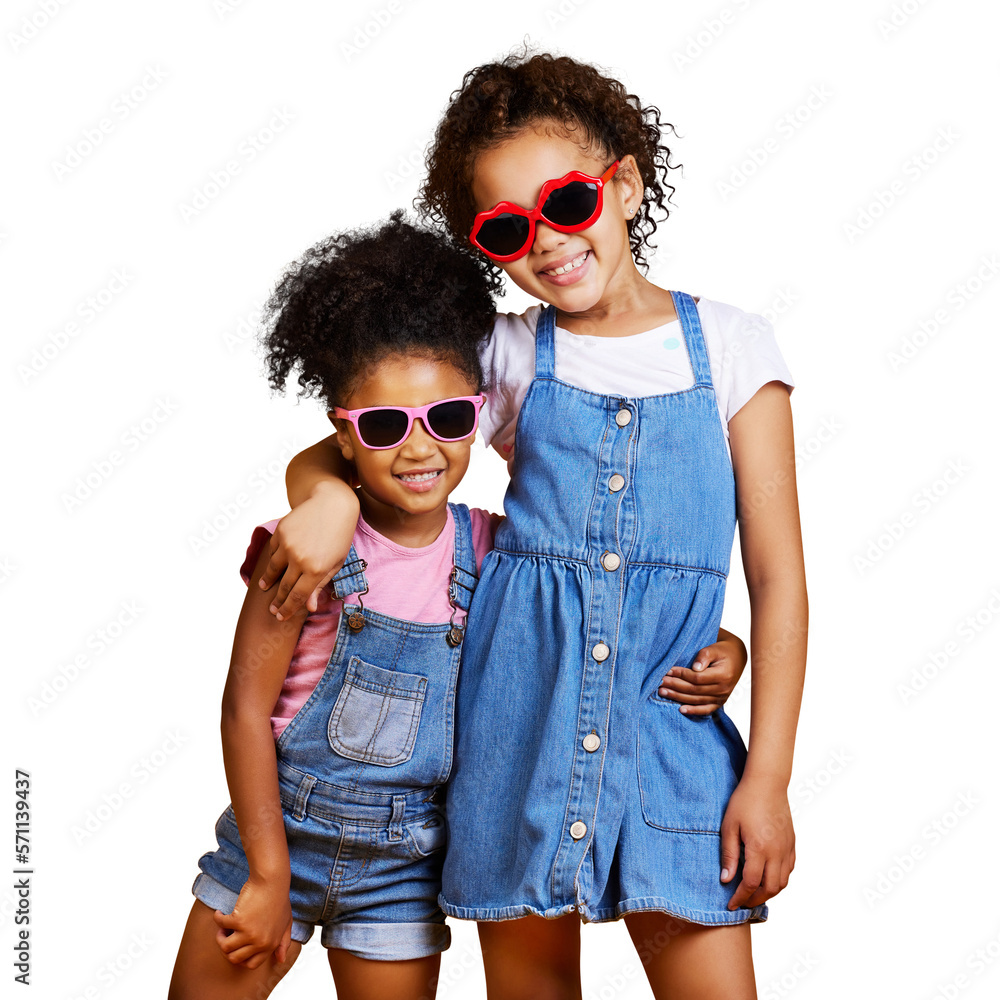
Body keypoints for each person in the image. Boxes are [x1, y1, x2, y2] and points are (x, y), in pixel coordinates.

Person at [263, 50, 807, 1000]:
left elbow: (779, 581)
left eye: (566, 203)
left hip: (667, 738)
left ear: (625, 184)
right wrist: (328, 500)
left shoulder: (730, 345)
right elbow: (367, 435)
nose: (546, 243)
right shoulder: (507, 354)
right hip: (514, 728)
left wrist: (766, 777)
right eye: (507, 227)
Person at [168, 212, 749, 1000]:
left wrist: (727, 645)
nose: (418, 448)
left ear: (479, 414)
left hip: (407, 865)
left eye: (446, 418)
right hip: (277, 839)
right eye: (383, 426)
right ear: (342, 435)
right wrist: (268, 874)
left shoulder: (495, 553)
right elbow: (244, 709)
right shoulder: (305, 548)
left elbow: (588, 611)